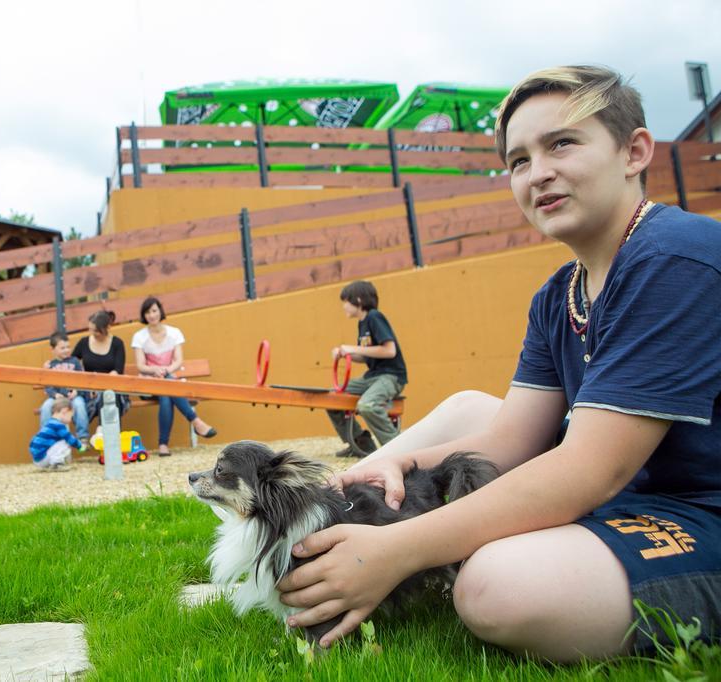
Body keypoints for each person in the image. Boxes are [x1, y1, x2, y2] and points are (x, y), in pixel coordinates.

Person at [277, 65, 721, 661]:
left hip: (698, 512)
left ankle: (369, 550)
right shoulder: (559, 293)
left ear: (634, 151)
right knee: (466, 410)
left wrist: (400, 550)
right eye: (517, 161)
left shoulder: (675, 259)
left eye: (562, 143)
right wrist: (400, 461)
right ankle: (320, 523)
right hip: (630, 495)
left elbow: (590, 471)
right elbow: (513, 438)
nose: (538, 173)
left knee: (497, 588)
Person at [325, 280, 408, 457]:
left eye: (346, 301)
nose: (344, 306)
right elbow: (366, 356)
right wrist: (345, 354)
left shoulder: (374, 317)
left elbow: (389, 350)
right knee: (331, 399)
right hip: (372, 376)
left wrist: (353, 348)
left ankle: (399, 449)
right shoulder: (362, 323)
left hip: (390, 376)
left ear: (359, 300)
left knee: (367, 405)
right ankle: (360, 442)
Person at [130, 297, 217, 456]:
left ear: (160, 311)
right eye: (148, 312)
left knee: (166, 393)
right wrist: (155, 370)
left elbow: (178, 360)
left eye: (154, 310)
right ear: (144, 315)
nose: (152, 315)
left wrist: (166, 370)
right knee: (168, 388)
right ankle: (195, 421)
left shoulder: (174, 333)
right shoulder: (139, 336)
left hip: (169, 379)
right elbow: (141, 365)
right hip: (149, 383)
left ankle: (163, 445)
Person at [72, 310, 129, 422]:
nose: (92, 333)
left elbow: (117, 371)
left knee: (108, 395)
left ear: (107, 328)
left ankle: (103, 430)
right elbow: (71, 363)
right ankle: (102, 432)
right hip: (89, 390)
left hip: (112, 387)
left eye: (96, 331)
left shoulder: (117, 344)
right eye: (90, 329)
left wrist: (100, 386)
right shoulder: (84, 343)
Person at [39, 331, 90, 448]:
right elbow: (47, 385)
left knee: (80, 405)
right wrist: (55, 395)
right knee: (46, 407)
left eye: (68, 347)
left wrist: (77, 391)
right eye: (62, 348)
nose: (66, 350)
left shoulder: (75, 362)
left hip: (73, 397)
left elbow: (81, 380)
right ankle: (46, 437)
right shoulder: (50, 365)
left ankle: (83, 437)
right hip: (57, 399)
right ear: (52, 350)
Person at [29, 396, 84, 472]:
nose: (71, 420)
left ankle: (52, 464)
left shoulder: (49, 422)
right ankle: (57, 464)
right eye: (71, 416)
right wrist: (80, 446)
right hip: (43, 458)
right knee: (65, 442)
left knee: (59, 441)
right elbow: (69, 438)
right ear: (65, 411)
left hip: (37, 458)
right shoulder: (58, 425)